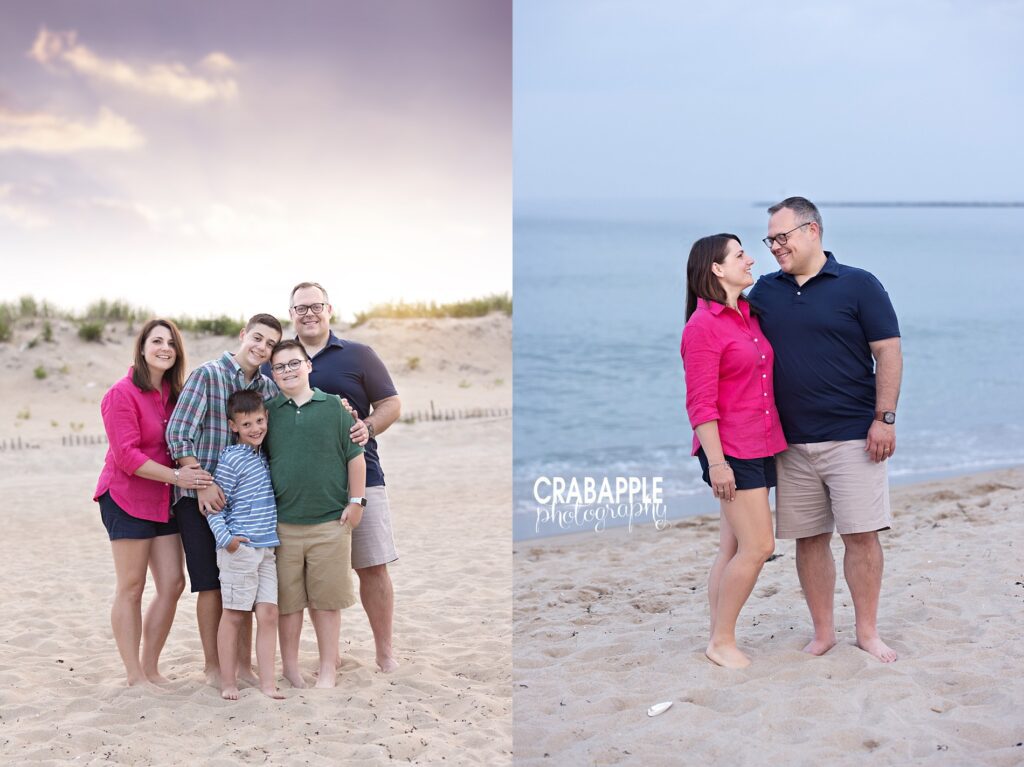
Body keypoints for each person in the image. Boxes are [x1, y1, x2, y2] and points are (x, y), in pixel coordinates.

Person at [749, 196, 902, 663]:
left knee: (862, 536)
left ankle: (867, 632)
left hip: (854, 437)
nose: (775, 247)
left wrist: (884, 419)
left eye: (782, 237)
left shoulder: (859, 284)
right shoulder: (764, 292)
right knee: (809, 539)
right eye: (770, 240)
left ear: (812, 231)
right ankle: (823, 633)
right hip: (790, 443)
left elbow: (888, 351)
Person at [280, 281, 401, 673]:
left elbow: (391, 403)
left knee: (373, 566)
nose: (309, 314)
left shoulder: (359, 354)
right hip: (302, 488)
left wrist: (368, 425)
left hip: (363, 476)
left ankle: (384, 653)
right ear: (291, 314)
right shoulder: (280, 359)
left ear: (329, 309)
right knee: (311, 576)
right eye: (301, 308)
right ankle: (326, 657)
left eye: (315, 306)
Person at [680, 234, 788, 669]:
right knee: (759, 546)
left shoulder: (747, 314)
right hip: (730, 451)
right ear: (717, 268)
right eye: (740, 254)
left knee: (731, 547)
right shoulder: (702, 327)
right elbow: (700, 404)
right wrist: (718, 464)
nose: (751, 260)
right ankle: (722, 641)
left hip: (762, 442)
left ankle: (718, 636)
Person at [94, 319, 214, 686]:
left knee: (173, 583)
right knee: (131, 586)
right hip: (125, 497)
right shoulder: (121, 393)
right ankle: (135, 675)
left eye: (171, 343)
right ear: (142, 348)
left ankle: (150, 667)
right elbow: (127, 456)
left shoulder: (176, 394)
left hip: (163, 500)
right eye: (157, 341)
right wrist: (178, 477)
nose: (165, 348)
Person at [165, 313, 283, 685]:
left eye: (270, 344)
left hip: (243, 503)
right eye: (258, 338)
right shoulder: (208, 375)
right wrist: (202, 483)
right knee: (211, 584)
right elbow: (178, 434)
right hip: (199, 496)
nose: (262, 347)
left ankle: (243, 666)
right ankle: (214, 667)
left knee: (243, 584)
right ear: (244, 334)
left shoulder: (267, 388)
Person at [266, 340, 367, 688]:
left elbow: (355, 457)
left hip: (330, 524)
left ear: (309, 365)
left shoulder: (334, 407)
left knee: (326, 602)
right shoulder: (269, 413)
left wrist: (357, 502)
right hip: (283, 527)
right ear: (273, 374)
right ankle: (291, 668)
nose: (288, 371)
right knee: (288, 604)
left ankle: (327, 668)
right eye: (280, 367)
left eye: (294, 363)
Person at [207, 390, 283, 700]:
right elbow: (214, 506)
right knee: (235, 614)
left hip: (267, 550)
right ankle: (229, 682)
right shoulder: (231, 459)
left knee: (269, 614)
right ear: (233, 426)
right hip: (240, 550)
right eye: (247, 424)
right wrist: (227, 541)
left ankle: (268, 683)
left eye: (260, 421)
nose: (255, 428)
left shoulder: (263, 456)